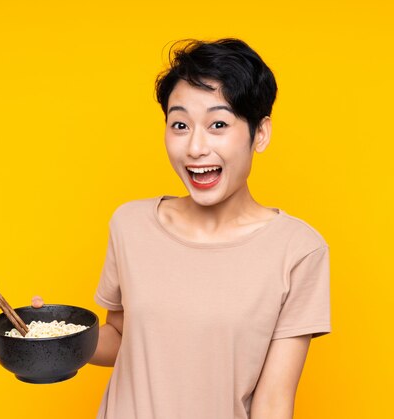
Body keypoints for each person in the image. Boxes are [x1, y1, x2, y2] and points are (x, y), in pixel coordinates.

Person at [32, 38, 331, 419]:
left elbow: (274, 401)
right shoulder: (130, 225)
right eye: (180, 125)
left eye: (218, 124)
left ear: (261, 133)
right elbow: (124, 339)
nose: (195, 147)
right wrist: (56, 336)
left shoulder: (299, 250)